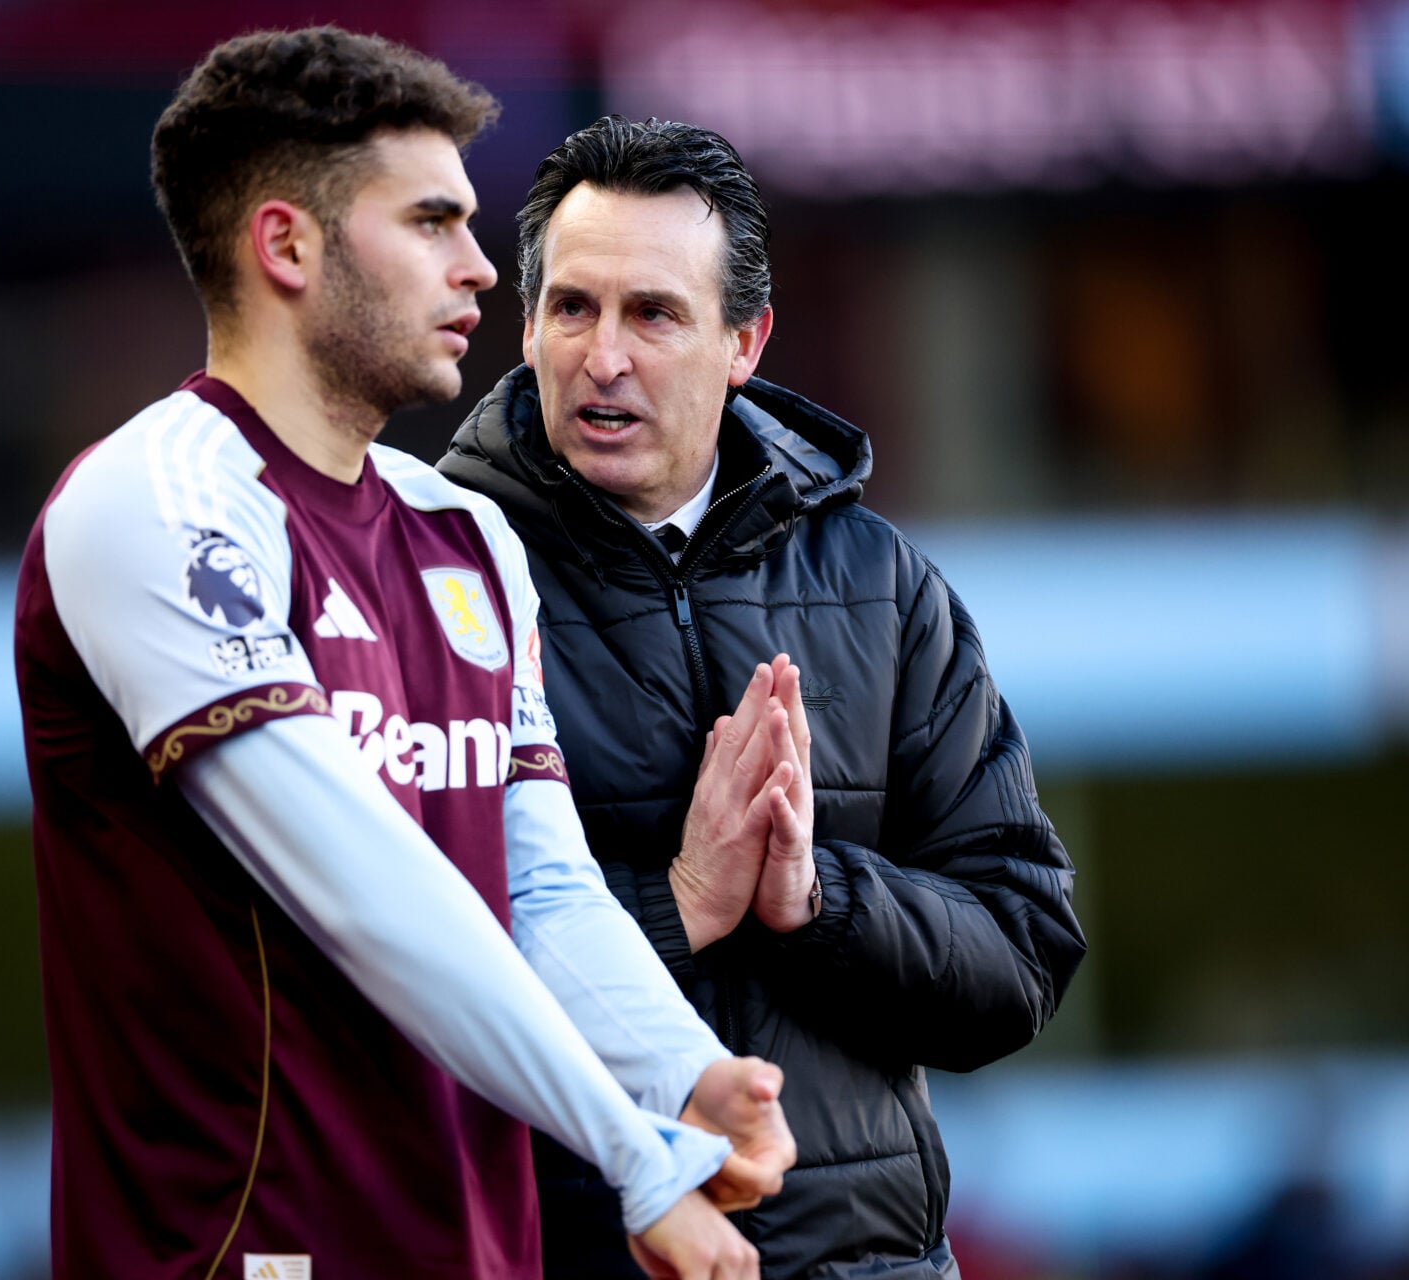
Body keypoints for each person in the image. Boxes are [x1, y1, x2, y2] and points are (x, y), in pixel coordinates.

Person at [13, 32, 796, 1280]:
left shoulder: (466, 535)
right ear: (287, 247)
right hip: (246, 1252)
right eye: (432, 222)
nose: (481, 267)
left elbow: (535, 889)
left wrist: (681, 1073)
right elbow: (366, 885)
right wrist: (633, 1149)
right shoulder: (156, 505)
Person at [438, 116, 1088, 1280]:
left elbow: (1022, 956)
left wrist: (819, 898)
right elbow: (407, 962)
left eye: (654, 313)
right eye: (573, 308)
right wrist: (679, 902)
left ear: (744, 341)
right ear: (525, 326)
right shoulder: (433, 578)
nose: (604, 356)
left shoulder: (884, 586)